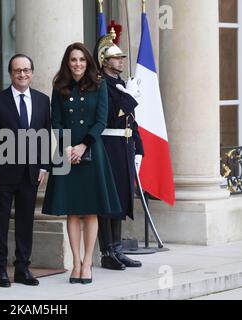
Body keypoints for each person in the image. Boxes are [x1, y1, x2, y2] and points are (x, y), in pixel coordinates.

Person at [42, 43, 121, 284]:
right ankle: (75, 262)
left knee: (89, 211)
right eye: (73, 60)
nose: (77, 64)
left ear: (88, 62)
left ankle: (88, 263)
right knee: (72, 211)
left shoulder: (99, 85)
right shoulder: (60, 86)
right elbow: (55, 120)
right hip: (66, 152)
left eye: (81, 60)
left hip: (91, 152)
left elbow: (100, 121)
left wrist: (83, 145)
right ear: (68, 63)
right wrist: (67, 146)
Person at [0, 54, 51, 288]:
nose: (22, 74)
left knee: (25, 221)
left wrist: (44, 166)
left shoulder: (43, 101)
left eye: (26, 70)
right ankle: (0, 269)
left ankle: (22, 268)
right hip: (2, 172)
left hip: (31, 172)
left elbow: (45, 135)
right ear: (10, 73)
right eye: (17, 70)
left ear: (32, 72)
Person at [94, 30, 144, 270]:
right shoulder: (102, 84)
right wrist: (131, 98)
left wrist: (139, 148)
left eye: (122, 57)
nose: (121, 60)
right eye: (116, 57)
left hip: (123, 145)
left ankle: (117, 248)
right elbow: (113, 117)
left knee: (121, 197)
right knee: (109, 199)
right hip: (109, 145)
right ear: (105, 61)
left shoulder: (121, 84)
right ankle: (107, 252)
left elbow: (130, 121)